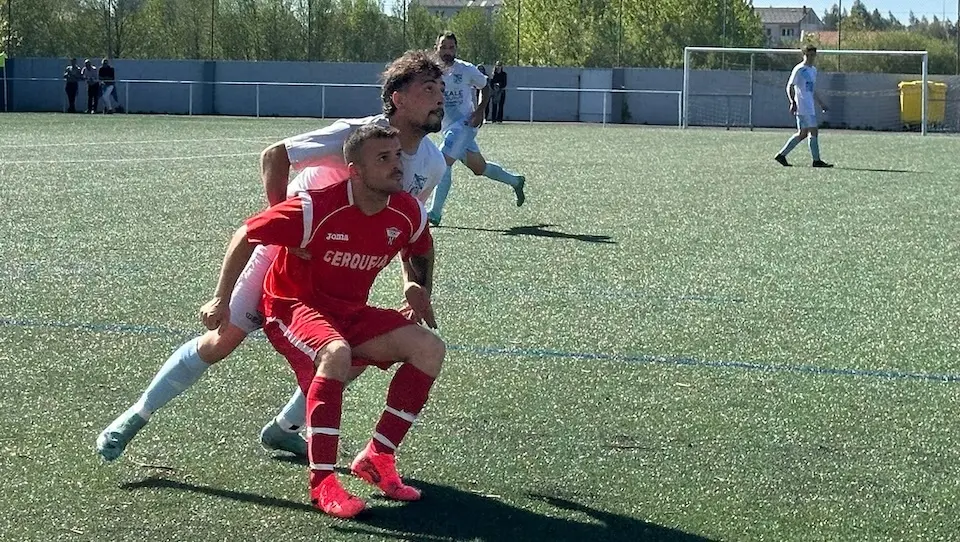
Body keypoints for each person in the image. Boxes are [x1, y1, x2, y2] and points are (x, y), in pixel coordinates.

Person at [96, 50, 447, 463]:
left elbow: (406, 227)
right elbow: (275, 155)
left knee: (350, 353)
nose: (441, 98)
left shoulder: (433, 164)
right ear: (398, 98)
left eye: (442, 90)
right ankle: (136, 415)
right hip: (285, 256)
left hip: (339, 267)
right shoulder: (357, 137)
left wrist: (414, 284)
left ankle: (283, 429)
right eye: (429, 89)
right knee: (221, 340)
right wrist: (286, 231)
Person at [203, 123, 444, 518]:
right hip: (291, 305)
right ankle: (323, 484)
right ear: (355, 170)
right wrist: (221, 298)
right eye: (382, 158)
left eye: (397, 156)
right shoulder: (316, 206)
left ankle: (377, 459)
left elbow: (421, 247)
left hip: (348, 310)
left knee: (429, 348)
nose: (396, 165)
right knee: (336, 354)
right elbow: (246, 233)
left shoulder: (408, 210)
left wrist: (417, 287)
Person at [427, 31, 526, 227]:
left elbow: (485, 86)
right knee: (480, 168)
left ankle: (435, 213)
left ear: (456, 49)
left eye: (451, 47)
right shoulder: (430, 71)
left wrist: (480, 110)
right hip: (448, 128)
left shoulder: (465, 69)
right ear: (436, 48)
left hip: (466, 123)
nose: (448, 51)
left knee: (442, 161)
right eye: (444, 47)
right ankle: (516, 181)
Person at [774, 44, 833, 168]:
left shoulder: (813, 70)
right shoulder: (799, 69)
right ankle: (816, 160)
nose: (810, 58)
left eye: (813, 55)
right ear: (804, 55)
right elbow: (789, 86)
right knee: (814, 131)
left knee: (802, 134)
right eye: (808, 55)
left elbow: (812, 90)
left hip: (809, 105)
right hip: (802, 106)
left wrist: (821, 103)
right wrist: (792, 102)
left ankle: (781, 155)